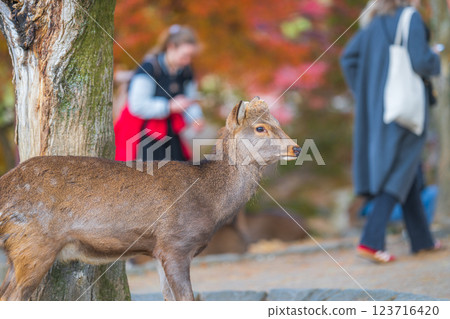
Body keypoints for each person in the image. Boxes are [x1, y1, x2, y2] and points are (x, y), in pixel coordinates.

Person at [340, 0, 442, 263]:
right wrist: (436, 56)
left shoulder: (373, 22)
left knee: (409, 170)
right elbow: (421, 62)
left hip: (379, 111)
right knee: (399, 170)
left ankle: (422, 241)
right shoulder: (411, 17)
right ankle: (371, 241)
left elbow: (348, 59)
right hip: (404, 110)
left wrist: (366, 93)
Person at [114, 25, 204, 162]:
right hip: (144, 130)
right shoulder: (149, 68)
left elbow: (189, 99)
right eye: (185, 56)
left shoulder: (186, 71)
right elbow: (137, 105)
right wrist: (169, 107)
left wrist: (195, 117)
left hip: (170, 130)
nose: (188, 61)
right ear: (171, 47)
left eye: (191, 57)